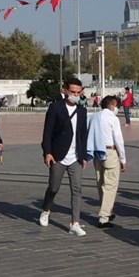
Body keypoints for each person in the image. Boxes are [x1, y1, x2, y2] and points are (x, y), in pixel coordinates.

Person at [38, 78, 89, 236]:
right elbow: (47, 132)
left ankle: (75, 223)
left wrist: (84, 155)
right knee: (53, 187)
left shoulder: (82, 111)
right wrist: (47, 152)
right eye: (72, 92)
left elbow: (83, 134)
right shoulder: (55, 108)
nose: (75, 95)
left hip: (75, 156)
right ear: (66, 90)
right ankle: (46, 210)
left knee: (77, 189)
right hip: (58, 155)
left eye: (78, 93)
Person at [86, 95, 126, 228]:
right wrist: (123, 159)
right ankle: (104, 216)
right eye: (117, 105)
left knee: (101, 183)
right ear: (112, 105)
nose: (117, 108)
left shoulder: (93, 116)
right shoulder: (112, 118)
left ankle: (108, 210)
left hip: (97, 151)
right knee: (110, 185)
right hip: (110, 152)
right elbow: (118, 139)